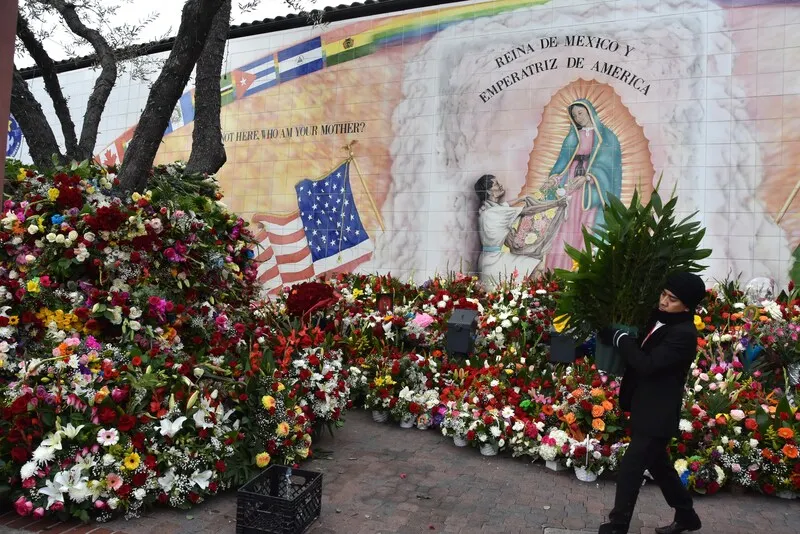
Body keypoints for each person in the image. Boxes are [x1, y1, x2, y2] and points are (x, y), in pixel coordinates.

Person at [597, 272, 706, 534]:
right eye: (663, 294)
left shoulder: (683, 334)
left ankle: (618, 525)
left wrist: (621, 340)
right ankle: (687, 516)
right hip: (643, 406)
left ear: (687, 306)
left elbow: (647, 365)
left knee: (631, 469)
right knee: (661, 468)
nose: (664, 302)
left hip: (658, 413)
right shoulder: (658, 318)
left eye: (672, 299)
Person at [543, 99, 623, 270]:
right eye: (574, 115)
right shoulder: (572, 137)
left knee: (587, 225)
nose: (578, 118)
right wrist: (554, 178)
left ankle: (582, 270)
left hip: (591, 192)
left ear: (589, 111)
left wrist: (588, 177)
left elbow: (609, 166)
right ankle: (560, 270)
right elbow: (563, 162)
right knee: (567, 224)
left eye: (580, 113)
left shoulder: (606, 138)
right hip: (571, 185)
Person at [474, 174, 565, 286]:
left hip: (486, 260)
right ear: (489, 191)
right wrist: (556, 203)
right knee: (537, 266)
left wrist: (521, 198)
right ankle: (534, 294)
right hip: (495, 262)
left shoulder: (487, 210)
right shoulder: (496, 212)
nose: (500, 185)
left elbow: (506, 205)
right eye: (496, 184)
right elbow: (528, 210)